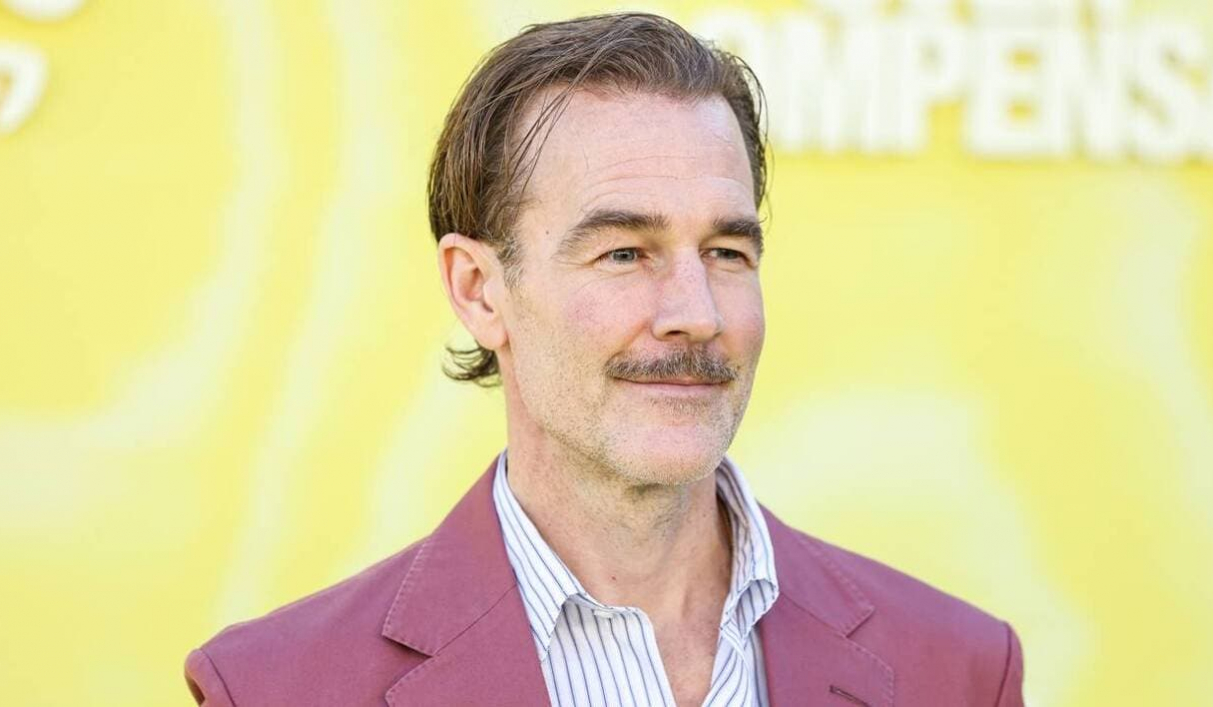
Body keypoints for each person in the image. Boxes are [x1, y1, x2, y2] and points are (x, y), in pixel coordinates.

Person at [184, 12, 1024, 707]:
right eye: (624, 252)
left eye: (726, 253)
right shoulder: (274, 688)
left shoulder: (956, 671)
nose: (696, 314)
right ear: (479, 289)